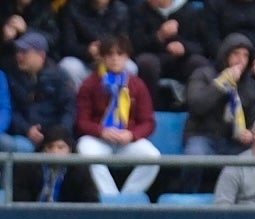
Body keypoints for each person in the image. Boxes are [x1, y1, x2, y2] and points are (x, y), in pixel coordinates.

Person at [74, 34, 162, 197]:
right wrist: (101, 131)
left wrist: (131, 135)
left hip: (126, 140)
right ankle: (111, 198)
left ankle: (128, 197)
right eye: (109, 54)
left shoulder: (137, 84)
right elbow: (82, 122)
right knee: (85, 151)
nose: (115, 59)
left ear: (127, 57)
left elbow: (148, 122)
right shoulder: (89, 84)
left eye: (119, 54)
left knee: (153, 156)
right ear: (102, 57)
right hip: (99, 139)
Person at [182, 33, 255, 189]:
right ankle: (187, 197)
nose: (241, 60)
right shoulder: (203, 74)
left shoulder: (253, 86)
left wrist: (251, 133)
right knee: (194, 155)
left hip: (234, 143)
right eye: (236, 54)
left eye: (245, 56)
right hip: (203, 136)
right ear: (225, 55)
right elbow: (196, 105)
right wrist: (221, 84)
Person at [6, 31, 75, 151]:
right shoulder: (11, 76)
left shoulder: (60, 77)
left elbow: (69, 110)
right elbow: (10, 110)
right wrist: (27, 130)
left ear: (41, 55)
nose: (18, 56)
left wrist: (57, 136)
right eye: (18, 51)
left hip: (54, 139)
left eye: (24, 52)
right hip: (23, 137)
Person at [129, 0, 207, 105]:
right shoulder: (139, 10)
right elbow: (135, 45)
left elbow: (202, 45)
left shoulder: (189, 11)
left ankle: (193, 108)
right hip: (154, 57)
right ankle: (147, 108)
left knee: (199, 63)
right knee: (146, 62)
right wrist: (159, 36)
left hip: (181, 60)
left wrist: (184, 47)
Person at [56, 0, 131, 89]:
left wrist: (107, 51)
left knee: (130, 67)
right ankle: (81, 99)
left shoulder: (121, 10)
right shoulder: (72, 8)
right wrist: (88, 51)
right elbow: (67, 46)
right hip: (83, 61)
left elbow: (124, 43)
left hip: (111, 57)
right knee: (68, 66)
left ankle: (118, 100)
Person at [13, 124, 100, 201]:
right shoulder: (27, 169)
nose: (55, 151)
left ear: (70, 149)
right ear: (43, 150)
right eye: (50, 147)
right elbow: (19, 201)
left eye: (61, 147)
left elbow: (91, 201)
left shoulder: (80, 171)